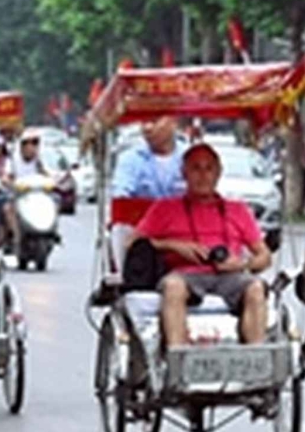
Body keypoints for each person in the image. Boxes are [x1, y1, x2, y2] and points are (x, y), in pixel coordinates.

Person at [135, 143, 271, 348]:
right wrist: (174, 246)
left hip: (230, 275)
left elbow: (264, 256)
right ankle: (177, 357)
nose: (203, 176)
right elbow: (135, 245)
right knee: (173, 287)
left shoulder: (238, 210)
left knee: (256, 288)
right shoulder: (165, 208)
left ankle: (255, 357)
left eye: (209, 169)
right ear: (184, 173)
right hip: (184, 274)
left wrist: (242, 264)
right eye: (196, 168)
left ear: (218, 173)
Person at [112, 116, 184, 199]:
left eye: (154, 121)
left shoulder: (191, 157)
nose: (147, 127)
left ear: (174, 121)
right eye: (143, 122)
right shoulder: (130, 159)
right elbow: (120, 195)